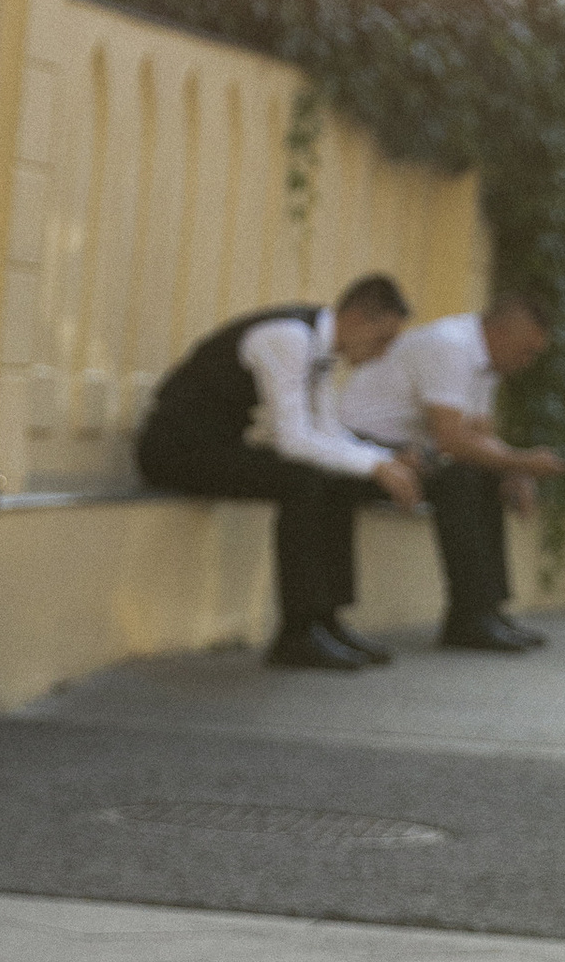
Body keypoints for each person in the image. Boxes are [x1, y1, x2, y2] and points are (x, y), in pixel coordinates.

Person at [135, 274, 417, 670]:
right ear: (355, 318)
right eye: (381, 339)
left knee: (337, 479)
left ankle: (325, 620)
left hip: (217, 448)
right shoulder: (288, 338)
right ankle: (297, 634)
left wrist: (383, 460)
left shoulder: (318, 348)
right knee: (302, 480)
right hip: (174, 453)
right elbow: (294, 441)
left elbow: (327, 433)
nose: (381, 352)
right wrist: (377, 464)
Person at [337, 293, 565, 653]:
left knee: (487, 475)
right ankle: (469, 617)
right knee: (458, 478)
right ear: (501, 333)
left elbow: (480, 434)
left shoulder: (484, 361)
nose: (529, 362)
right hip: (360, 448)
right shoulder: (451, 346)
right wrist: (522, 462)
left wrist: (514, 472)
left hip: (407, 454)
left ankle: (486, 608)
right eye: (527, 351)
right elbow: (450, 439)